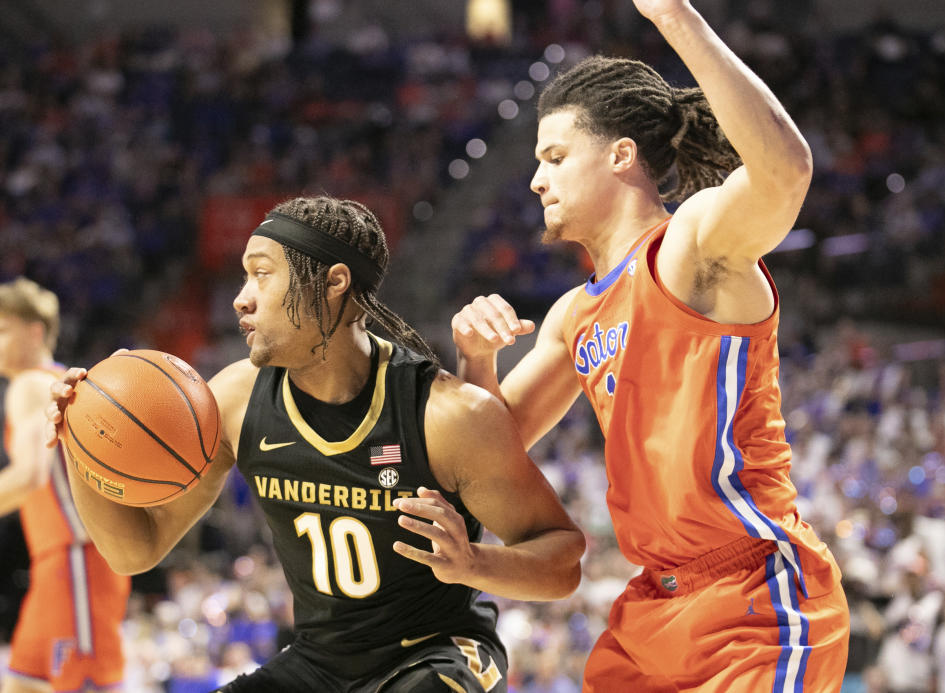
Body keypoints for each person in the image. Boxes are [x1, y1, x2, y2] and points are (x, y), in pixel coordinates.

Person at [450, 1, 850, 690]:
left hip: (752, 597)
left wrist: (674, 18)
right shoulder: (574, 314)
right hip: (649, 611)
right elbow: (493, 448)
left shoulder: (690, 246)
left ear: (620, 156)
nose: (536, 179)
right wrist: (476, 359)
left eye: (553, 156)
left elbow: (785, 172)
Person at [47, 196, 586, 692]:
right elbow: (134, 550)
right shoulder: (234, 399)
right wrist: (79, 441)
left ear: (333, 282)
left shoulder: (445, 414)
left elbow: (563, 560)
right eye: (243, 278)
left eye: (262, 275)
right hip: (320, 663)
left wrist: (474, 563)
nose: (241, 299)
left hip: (439, 652)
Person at [0, 277, 130, 693]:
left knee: (88, 685)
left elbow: (28, 475)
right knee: (22, 683)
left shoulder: (29, 385)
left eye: (2, 330)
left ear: (34, 330)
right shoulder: (55, 381)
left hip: (75, 557)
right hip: (60, 561)